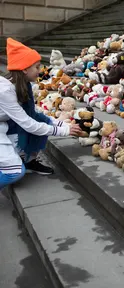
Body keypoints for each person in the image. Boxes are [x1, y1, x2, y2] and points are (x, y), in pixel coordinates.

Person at [0, 38, 82, 189]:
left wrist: (61, 123)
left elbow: (34, 115)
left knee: (40, 123)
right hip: (3, 128)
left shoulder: (22, 85)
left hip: (5, 125)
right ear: (24, 69)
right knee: (15, 172)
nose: (40, 70)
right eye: (36, 67)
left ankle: (29, 160)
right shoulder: (5, 90)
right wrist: (64, 130)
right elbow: (29, 124)